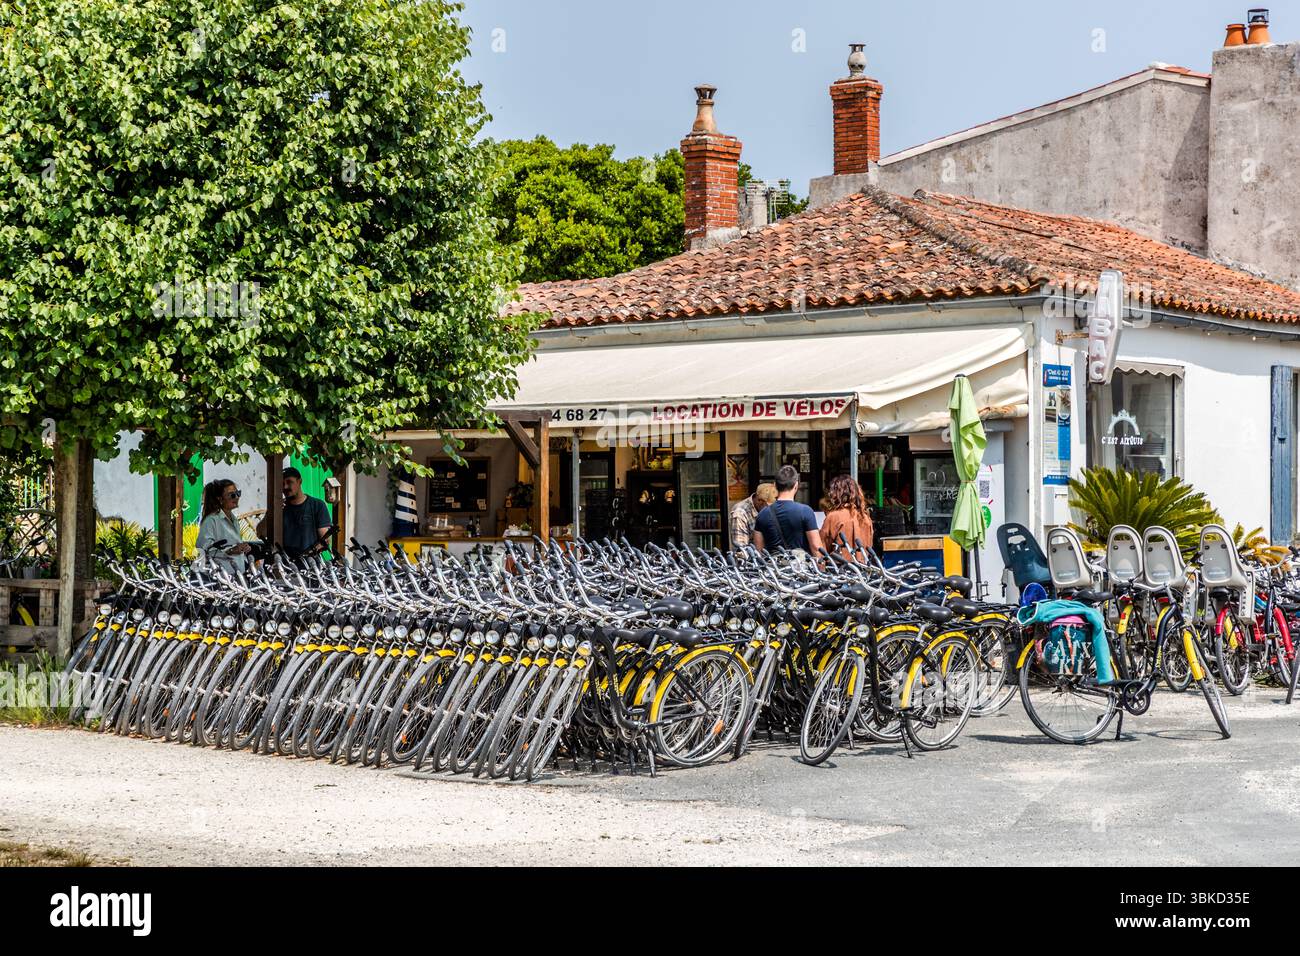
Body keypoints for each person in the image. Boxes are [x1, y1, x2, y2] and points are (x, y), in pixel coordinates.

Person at [753, 465, 822, 555]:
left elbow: (759, 551)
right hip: (800, 567)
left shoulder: (762, 514)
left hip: (774, 567)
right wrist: (821, 568)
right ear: (796, 485)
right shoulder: (805, 511)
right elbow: (816, 547)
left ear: (775, 485)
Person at [195, 479, 253, 574]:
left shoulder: (233, 519)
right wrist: (230, 550)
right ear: (220, 499)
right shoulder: (211, 520)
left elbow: (234, 544)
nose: (237, 497)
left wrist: (243, 548)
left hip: (237, 574)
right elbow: (204, 549)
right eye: (232, 495)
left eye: (238, 493)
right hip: (220, 577)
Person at [818, 474, 875, 560]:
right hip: (863, 570)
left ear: (835, 494)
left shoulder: (833, 517)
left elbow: (822, 551)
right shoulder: (865, 517)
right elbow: (869, 546)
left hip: (840, 570)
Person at [281, 466, 333, 559]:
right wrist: (272, 512)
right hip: (284, 565)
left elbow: (325, 539)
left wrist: (308, 555)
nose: (285, 487)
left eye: (289, 482)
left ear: (299, 481)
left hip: (310, 565)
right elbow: (261, 532)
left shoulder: (317, 505)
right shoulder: (280, 508)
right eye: (282, 483)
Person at [730, 482, 777, 550]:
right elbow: (741, 547)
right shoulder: (740, 512)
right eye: (769, 506)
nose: (772, 509)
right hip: (751, 558)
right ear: (759, 501)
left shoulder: (768, 510)